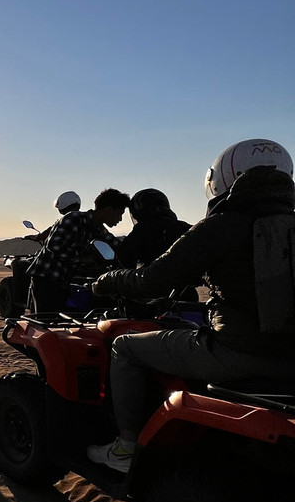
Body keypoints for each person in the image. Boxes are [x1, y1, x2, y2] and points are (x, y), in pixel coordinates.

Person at [88, 139, 295, 473]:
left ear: (226, 177)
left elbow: (151, 281)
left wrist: (107, 281)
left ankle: (125, 448)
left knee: (124, 347)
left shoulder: (221, 226)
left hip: (237, 354)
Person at [26, 188, 130, 314]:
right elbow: (54, 246)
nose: (120, 219)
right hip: (47, 278)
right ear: (108, 210)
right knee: (48, 320)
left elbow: (116, 245)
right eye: (119, 213)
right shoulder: (73, 218)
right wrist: (82, 259)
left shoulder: (98, 229)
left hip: (63, 280)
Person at [116, 189, 191, 268]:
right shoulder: (185, 227)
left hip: (155, 279)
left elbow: (124, 258)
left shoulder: (141, 231)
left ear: (138, 213)